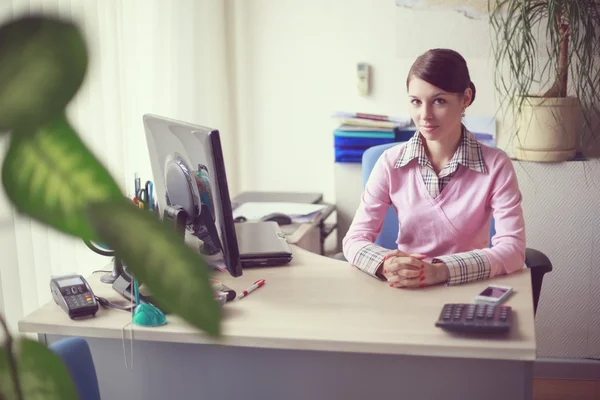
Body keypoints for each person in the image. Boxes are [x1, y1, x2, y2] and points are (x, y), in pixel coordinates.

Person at [342, 48, 525, 288]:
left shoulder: (496, 165)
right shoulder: (389, 162)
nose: (425, 115)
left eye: (439, 101)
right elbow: (354, 239)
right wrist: (385, 264)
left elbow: (513, 249)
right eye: (416, 102)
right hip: (403, 289)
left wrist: (440, 271)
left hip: (465, 289)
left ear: (466, 98)